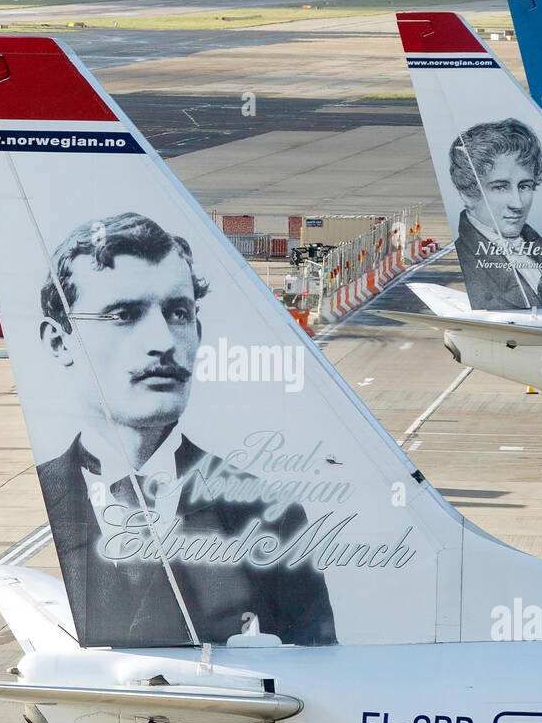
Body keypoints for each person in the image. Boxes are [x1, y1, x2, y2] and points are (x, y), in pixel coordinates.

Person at [36, 212, 337, 649]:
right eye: (122, 315)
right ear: (60, 342)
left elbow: (320, 662)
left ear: (197, 331)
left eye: (177, 313)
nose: (162, 340)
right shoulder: (44, 495)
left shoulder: (267, 512)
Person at [448, 118, 542, 311]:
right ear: (467, 194)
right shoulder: (467, 264)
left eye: (525, 186)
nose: (518, 203)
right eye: (500, 187)